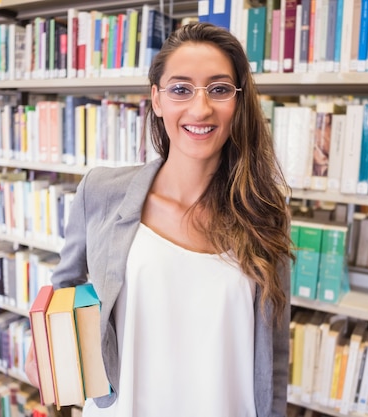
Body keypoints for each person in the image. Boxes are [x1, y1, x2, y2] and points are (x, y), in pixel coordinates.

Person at [26, 21, 293, 417]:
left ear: (238, 101)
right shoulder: (101, 192)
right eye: (181, 89)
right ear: (157, 99)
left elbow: (274, 355)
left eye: (219, 89)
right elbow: (66, 286)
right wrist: (47, 348)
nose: (200, 108)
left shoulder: (264, 213)